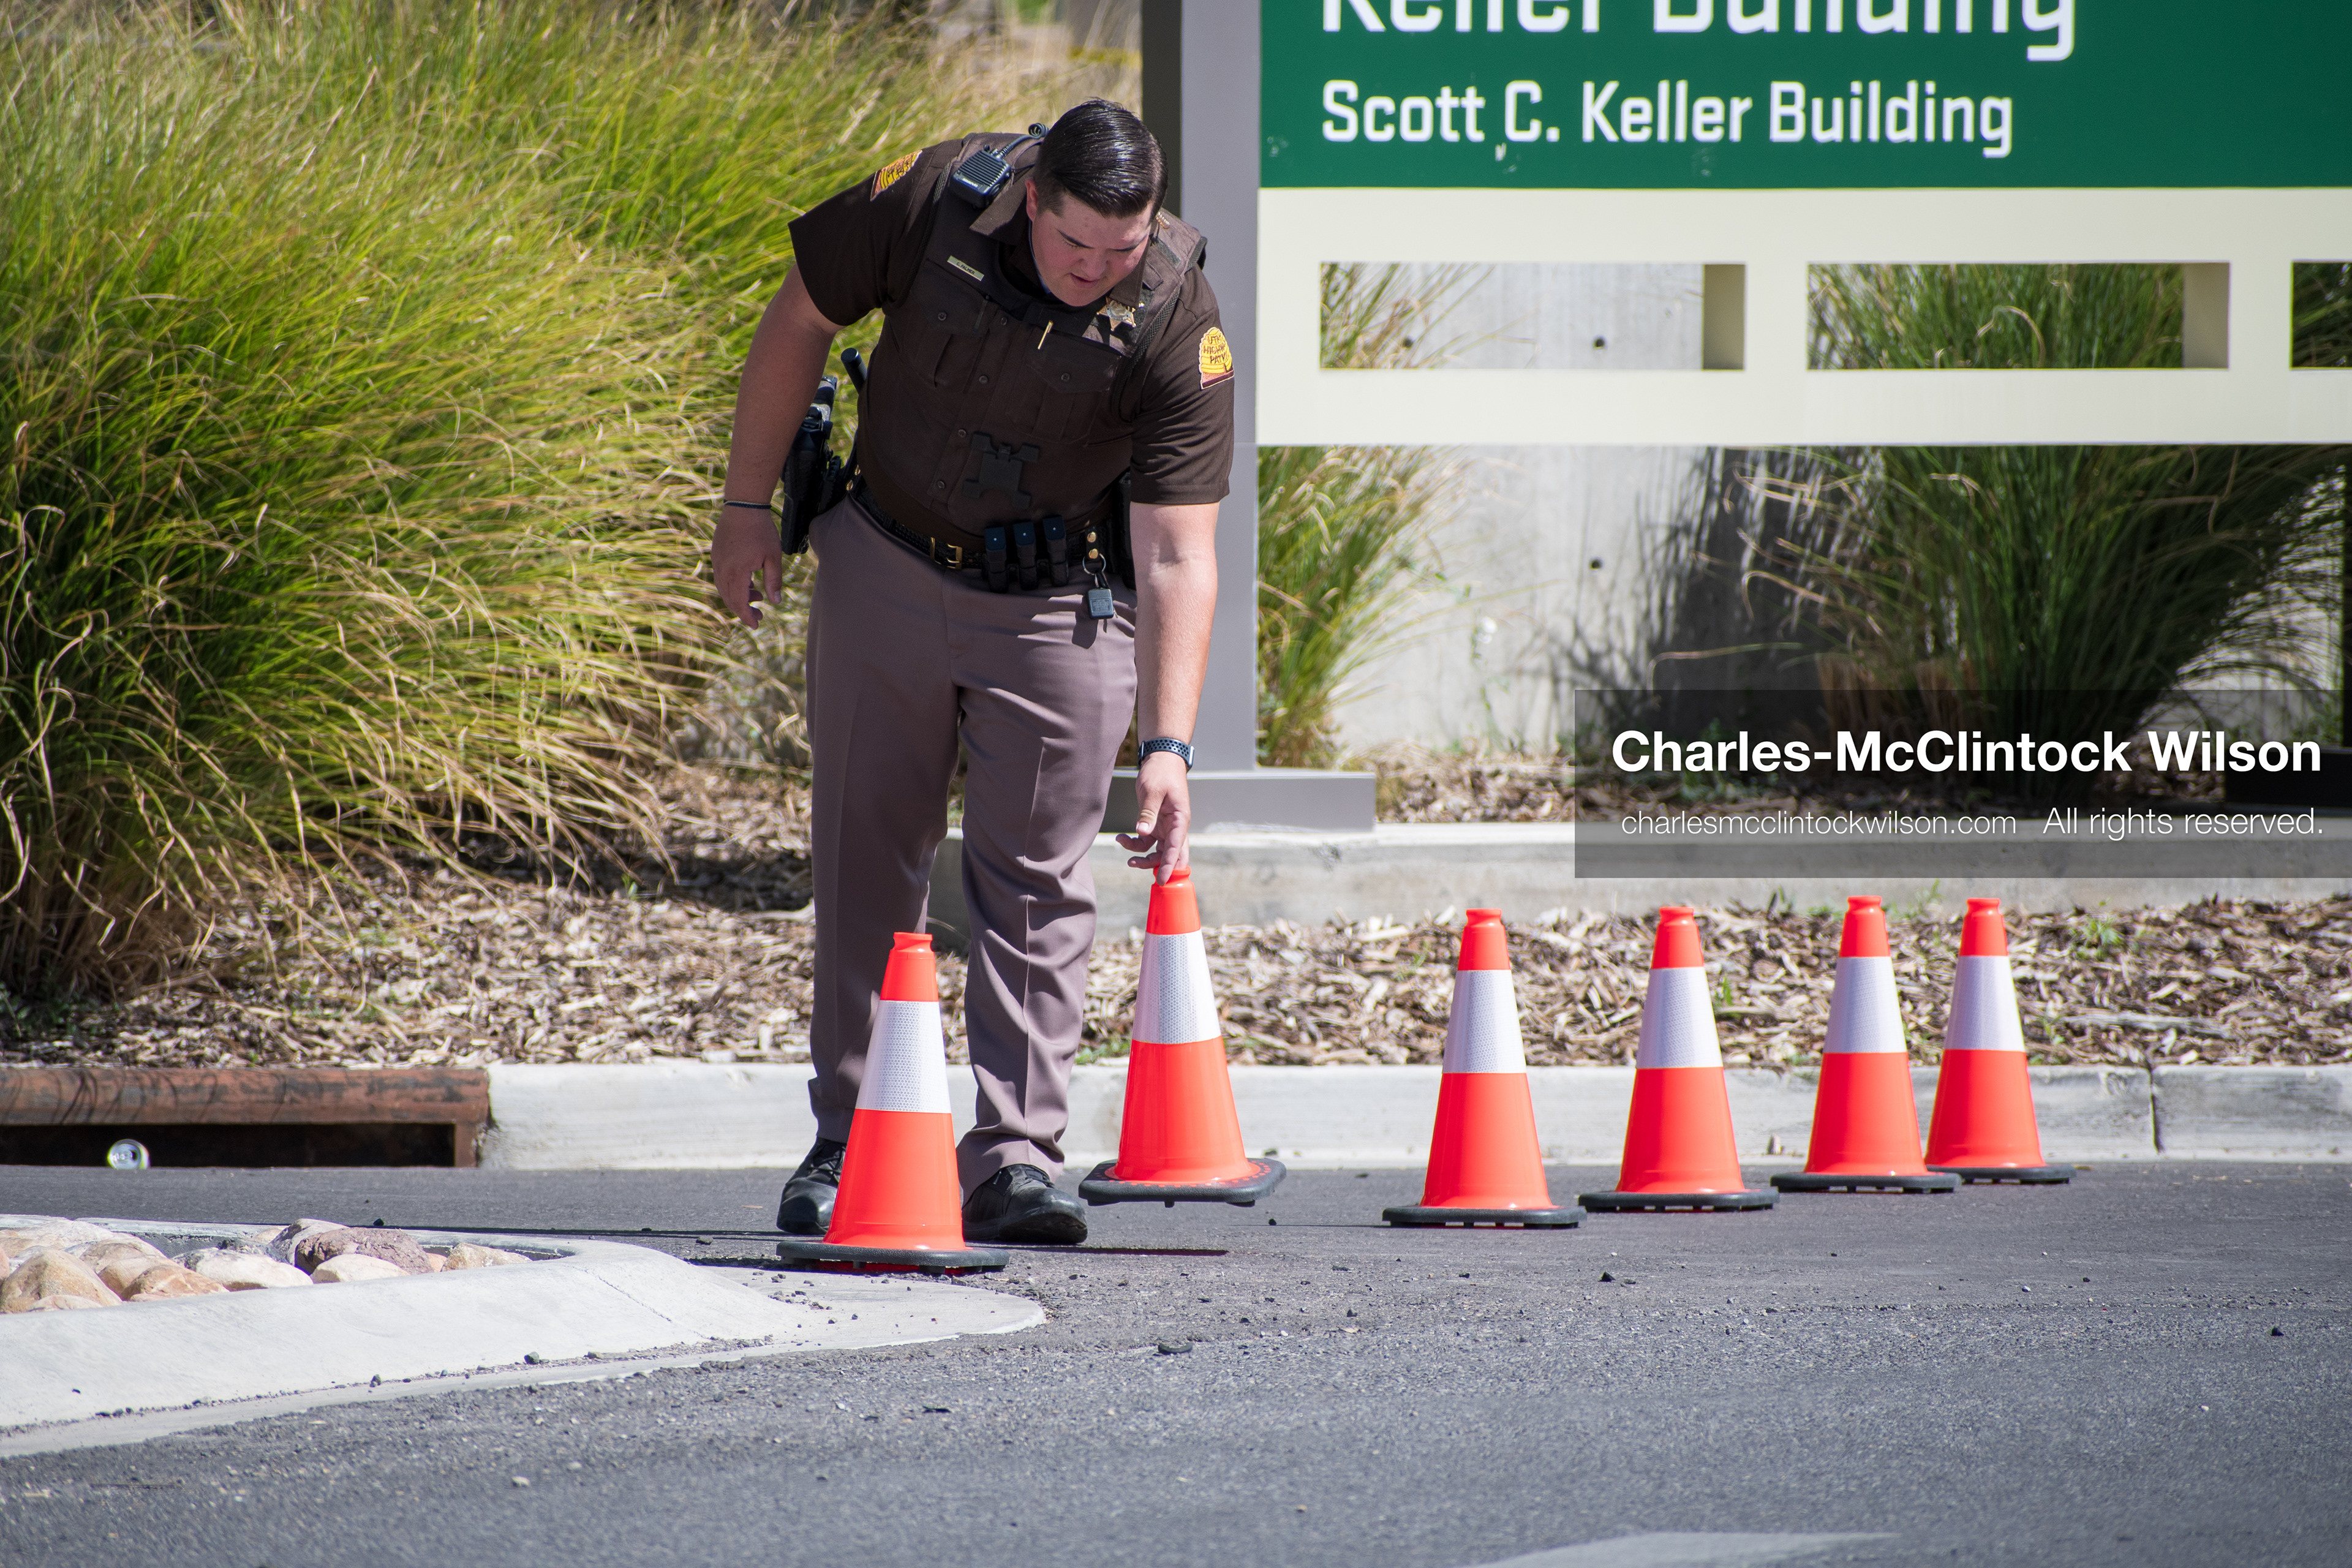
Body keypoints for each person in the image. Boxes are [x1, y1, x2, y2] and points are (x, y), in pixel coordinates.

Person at [710, 100, 1232, 1246]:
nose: (1097, 270)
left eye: (1124, 247)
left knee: (1038, 886)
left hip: (1057, 608)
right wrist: (748, 506)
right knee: (863, 860)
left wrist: (1171, 747)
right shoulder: (935, 195)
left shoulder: (1174, 307)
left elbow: (1180, 547)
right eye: (1075, 244)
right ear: (1033, 197)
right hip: (886, 567)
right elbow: (800, 314)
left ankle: (1013, 1155)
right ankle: (852, 1139)